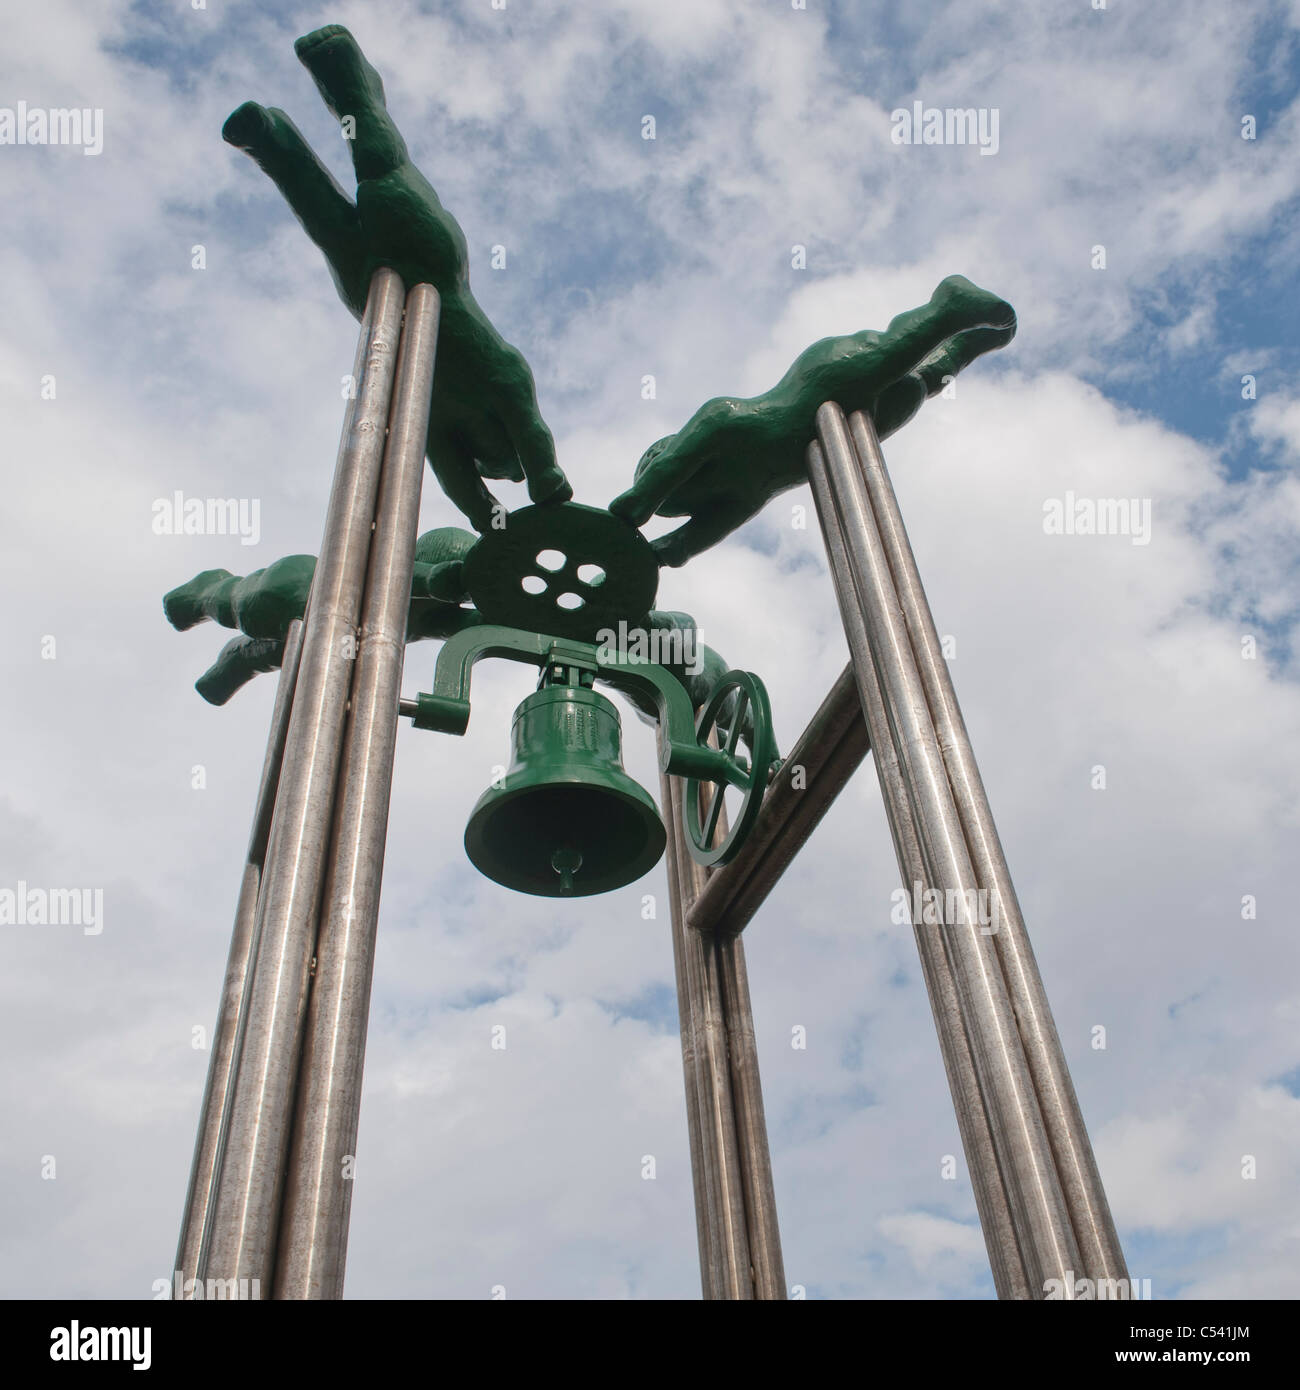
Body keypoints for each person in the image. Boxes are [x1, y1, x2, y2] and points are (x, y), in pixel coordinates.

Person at [222, 24, 570, 531]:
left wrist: (493, 517)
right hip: (432, 269)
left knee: (323, 218)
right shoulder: (507, 374)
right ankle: (349, 84)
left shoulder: (431, 416)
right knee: (383, 175)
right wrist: (545, 479)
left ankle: (268, 140)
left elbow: (457, 483)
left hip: (374, 296)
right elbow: (532, 434)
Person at [610, 275, 1016, 566]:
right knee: (917, 385)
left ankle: (949, 305)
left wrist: (636, 505)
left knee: (892, 352)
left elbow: (667, 470)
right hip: (843, 432)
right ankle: (967, 343)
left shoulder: (725, 422)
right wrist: (645, 557)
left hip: (821, 382)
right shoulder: (744, 496)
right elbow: (687, 543)